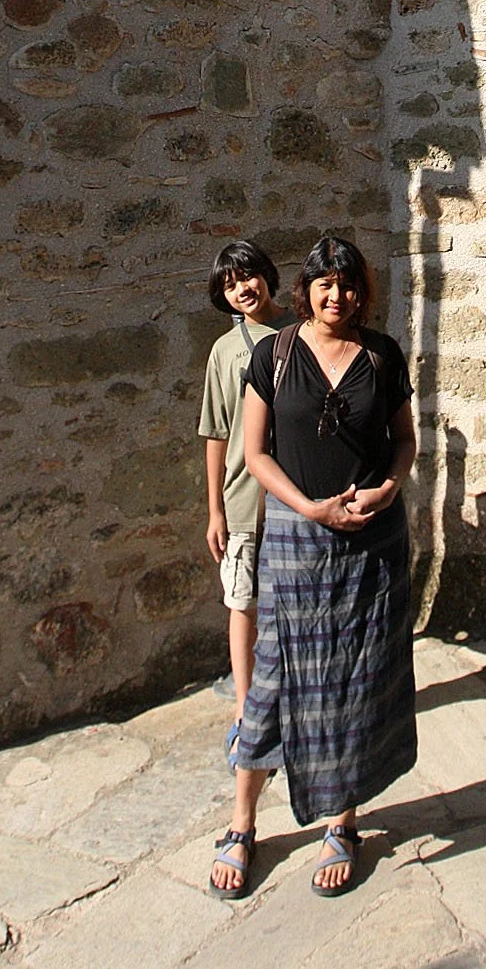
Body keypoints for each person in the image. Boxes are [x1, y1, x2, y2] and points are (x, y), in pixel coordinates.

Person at [209, 234, 417, 903]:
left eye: (350, 283)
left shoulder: (382, 354)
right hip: (297, 535)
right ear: (306, 288)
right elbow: (255, 450)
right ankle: (241, 824)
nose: (338, 294)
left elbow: (405, 439)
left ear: (363, 290)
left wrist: (389, 486)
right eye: (325, 283)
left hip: (371, 540)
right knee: (272, 680)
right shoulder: (273, 353)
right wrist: (307, 506)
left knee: (355, 677)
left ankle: (342, 822)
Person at [197, 239, 287, 757]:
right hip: (243, 499)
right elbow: (214, 432)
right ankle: (246, 711)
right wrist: (214, 510)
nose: (242, 290)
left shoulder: (300, 332)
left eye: (247, 277)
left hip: (296, 495)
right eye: (229, 284)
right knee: (243, 603)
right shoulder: (224, 353)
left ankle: (295, 703)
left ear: (266, 275)